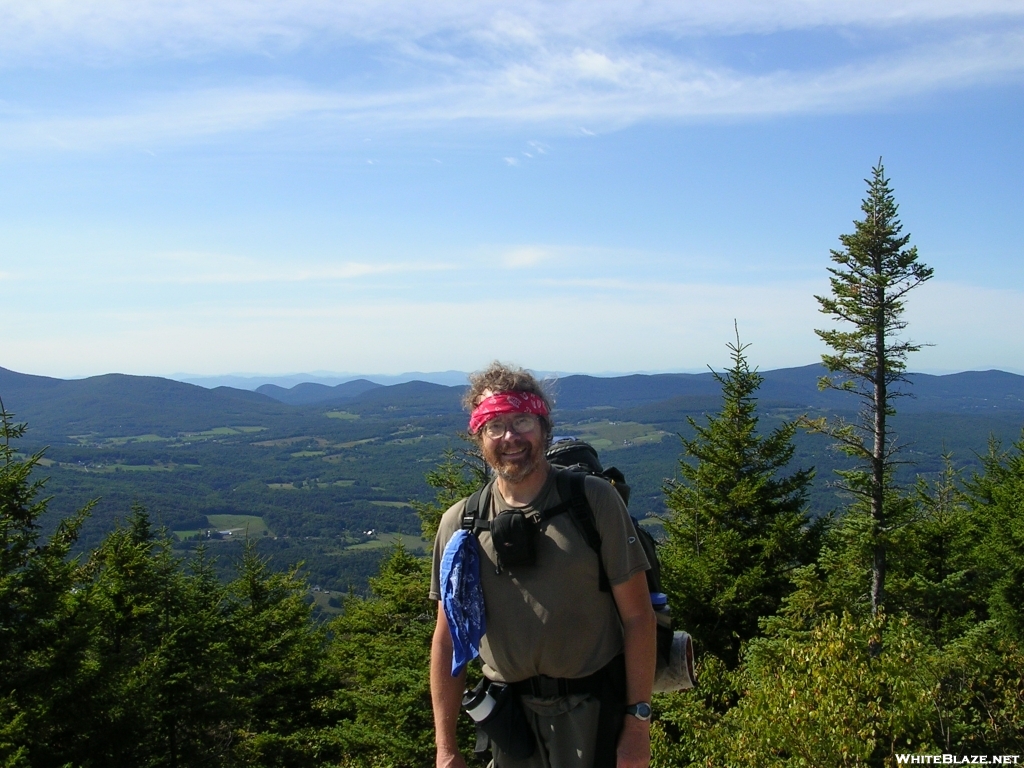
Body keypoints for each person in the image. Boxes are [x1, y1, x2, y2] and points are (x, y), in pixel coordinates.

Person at [429, 362, 656, 768]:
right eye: (494, 425)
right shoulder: (460, 525)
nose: (510, 437)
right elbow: (448, 640)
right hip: (509, 721)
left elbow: (639, 617)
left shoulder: (593, 502)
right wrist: (446, 749)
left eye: (521, 421)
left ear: (544, 427)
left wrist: (637, 725)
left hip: (594, 709)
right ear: (478, 437)